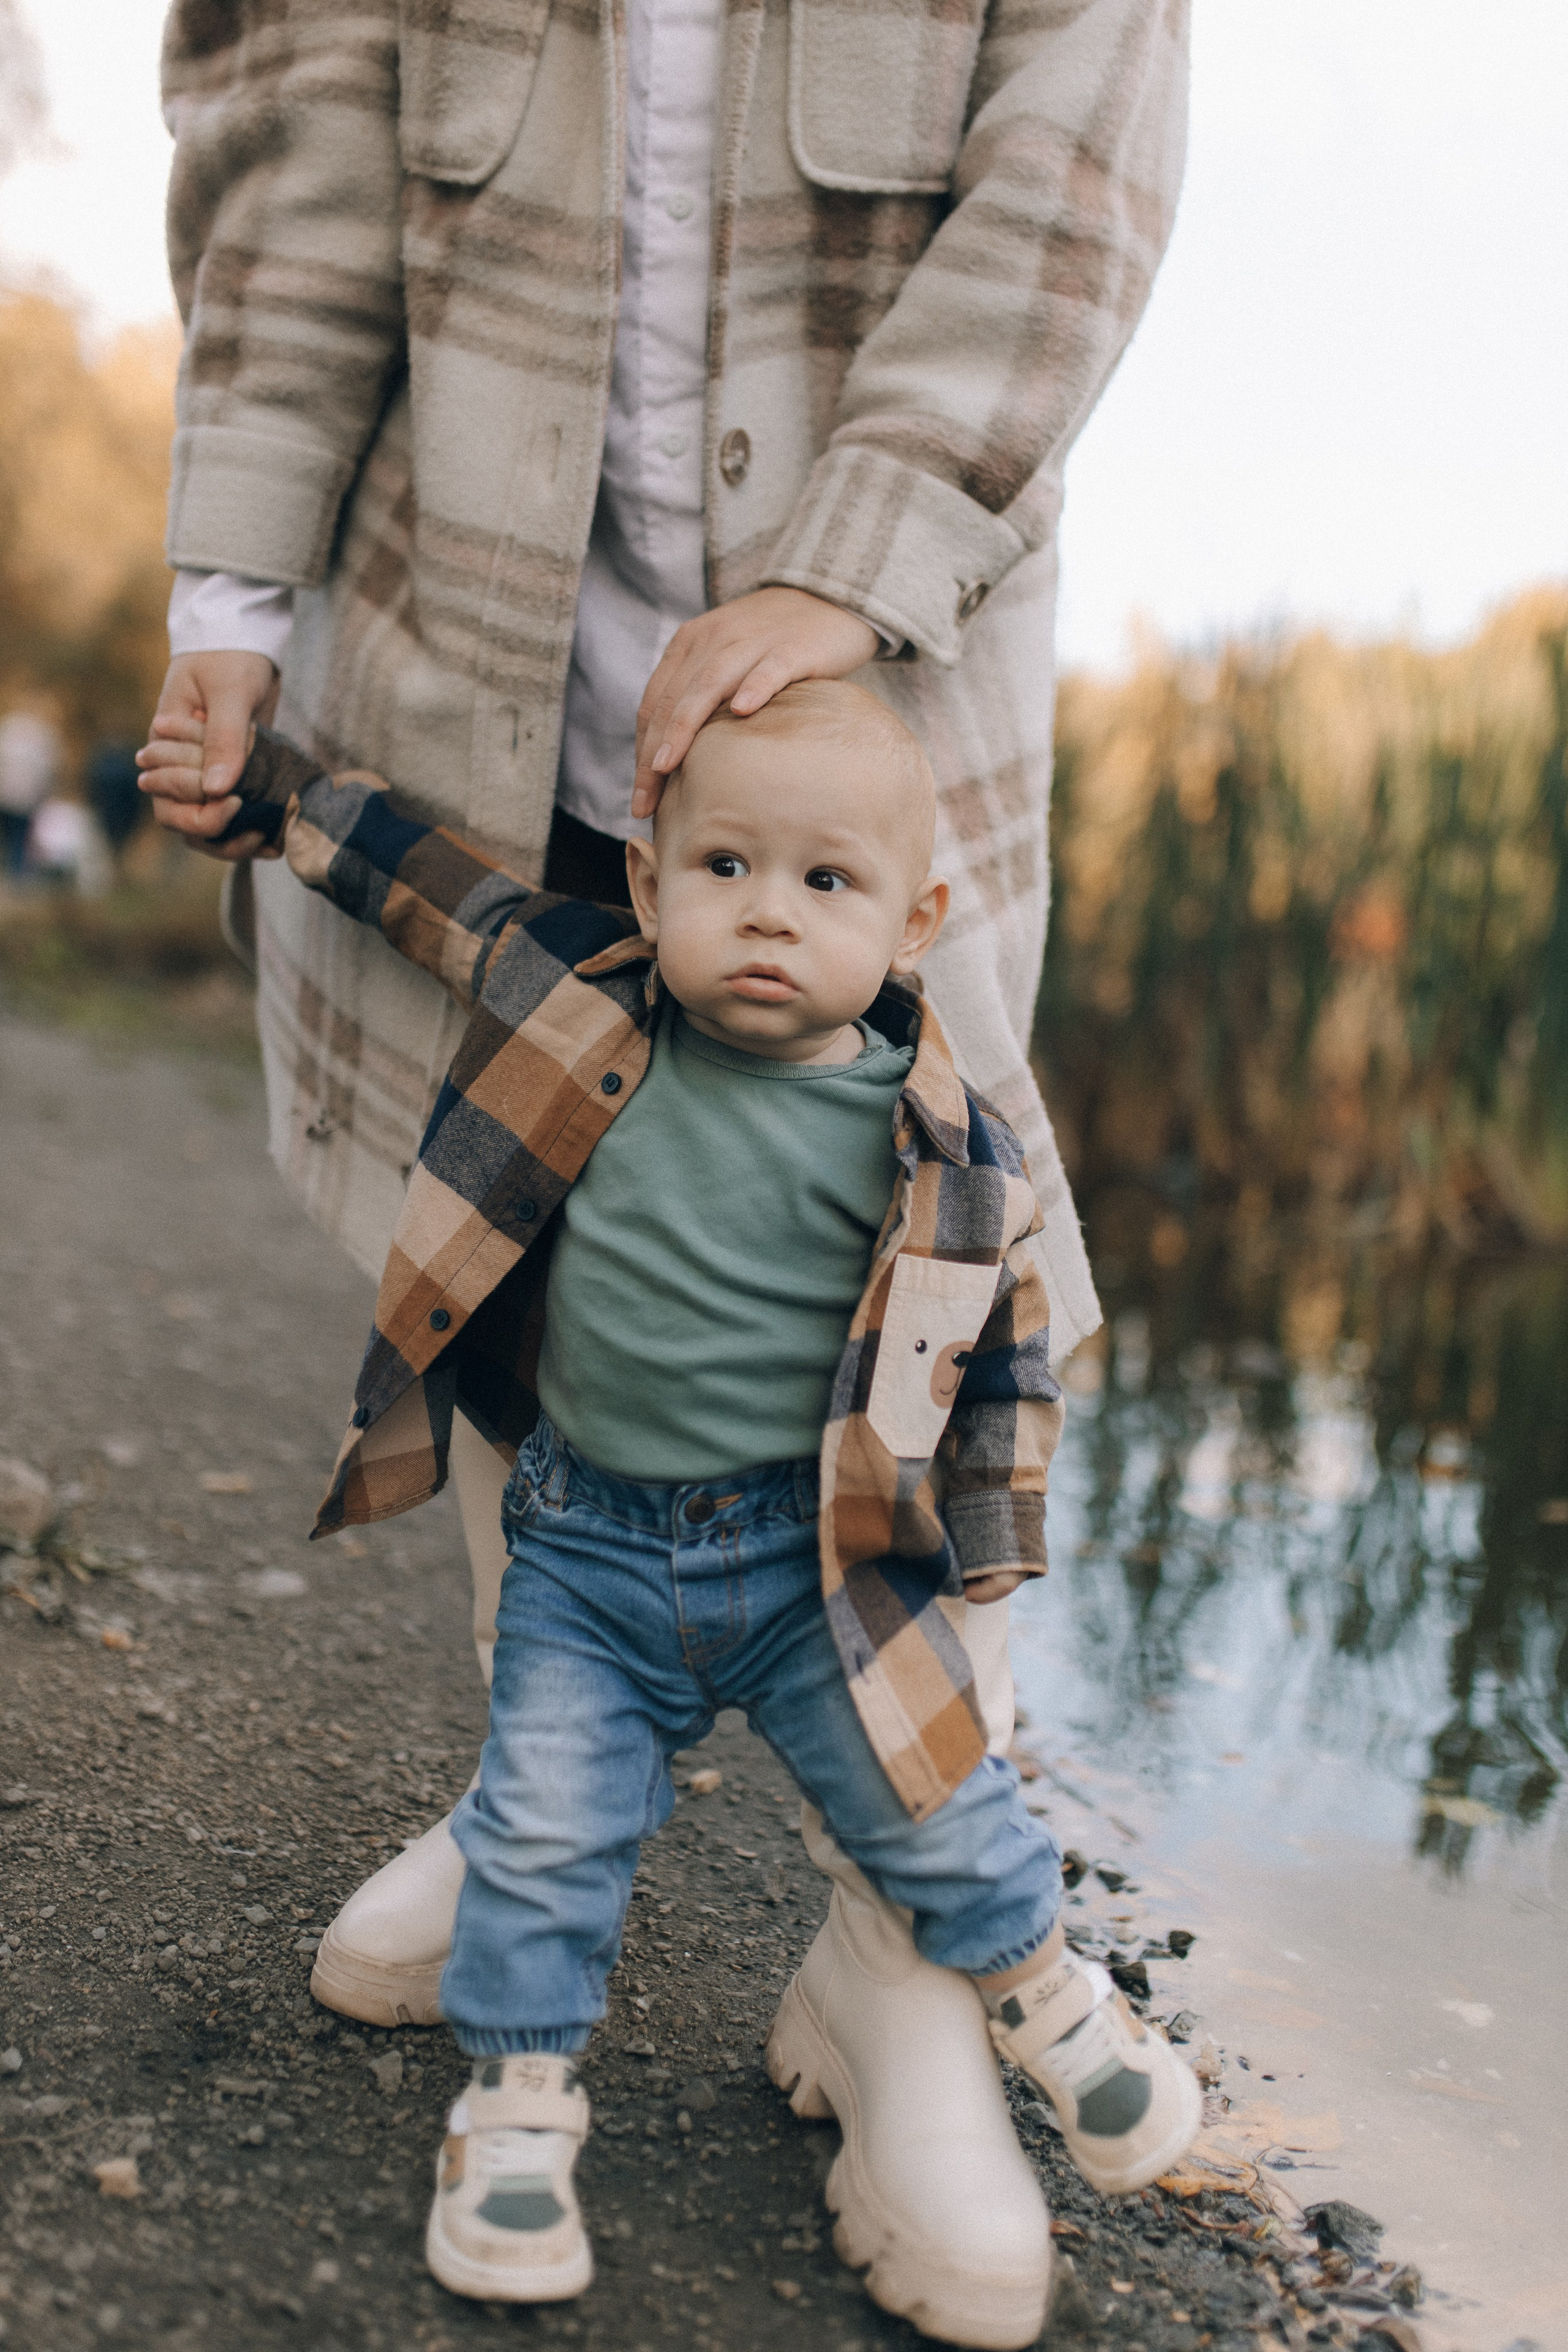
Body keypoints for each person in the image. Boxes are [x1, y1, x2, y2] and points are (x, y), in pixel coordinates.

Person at [143, 0, 1188, 2312]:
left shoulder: (896, 1006)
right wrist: (234, 591)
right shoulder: (555, 906)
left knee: (907, 1360)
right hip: (462, 620)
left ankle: (909, 1987)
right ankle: (550, 1790)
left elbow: (1073, 164)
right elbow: (291, 112)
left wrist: (866, 551)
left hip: (885, 646)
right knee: (522, 1216)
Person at [141, 688, 1201, 2345]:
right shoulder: (578, 995)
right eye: (725, 866)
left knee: (930, 1786)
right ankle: (516, 2113)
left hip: (810, 1563)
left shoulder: (947, 1145)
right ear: (650, 884)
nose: (770, 912)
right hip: (587, 1555)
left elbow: (1006, 1358)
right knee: (542, 1834)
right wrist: (273, 795)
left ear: (914, 922)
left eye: (827, 882)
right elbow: (428, 886)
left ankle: (1050, 2000)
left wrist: (991, 1543)